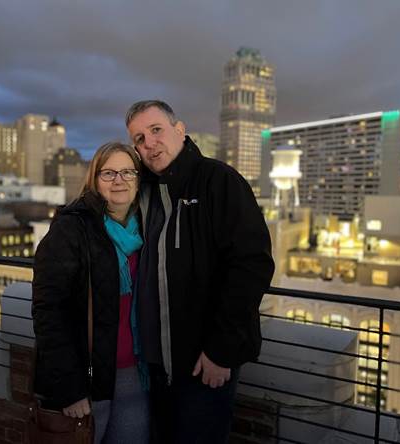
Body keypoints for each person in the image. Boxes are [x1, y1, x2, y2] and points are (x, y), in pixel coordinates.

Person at [126, 100, 275, 443]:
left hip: (203, 363)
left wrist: (222, 351)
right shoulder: (144, 191)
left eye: (156, 130)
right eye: (138, 138)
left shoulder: (219, 181)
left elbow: (251, 265)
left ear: (180, 131)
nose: (148, 143)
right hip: (153, 364)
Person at [32, 142, 150, 444]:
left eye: (127, 172)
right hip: (86, 379)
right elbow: (49, 313)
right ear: (94, 180)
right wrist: (70, 389)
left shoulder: (149, 229)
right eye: (109, 173)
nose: (119, 180)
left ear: (139, 179)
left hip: (134, 375)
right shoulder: (71, 229)